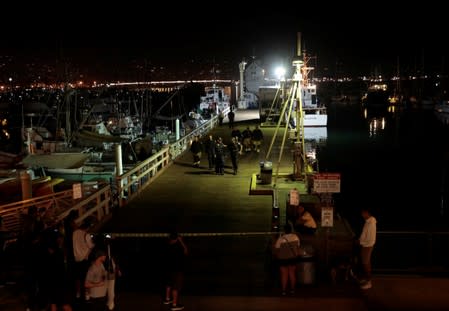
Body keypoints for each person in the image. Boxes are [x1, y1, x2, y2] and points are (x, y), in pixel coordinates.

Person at [162, 232, 188, 311]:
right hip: (177, 270)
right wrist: (181, 241)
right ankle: (174, 305)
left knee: (168, 284)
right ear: (177, 238)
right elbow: (186, 251)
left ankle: (167, 299)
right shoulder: (178, 247)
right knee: (175, 287)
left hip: (168, 269)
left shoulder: (167, 245)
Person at [274, 225, 300, 295]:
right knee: (292, 273)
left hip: (283, 259)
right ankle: (292, 290)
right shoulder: (295, 237)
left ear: (284, 231)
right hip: (292, 258)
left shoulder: (280, 239)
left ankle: (284, 291)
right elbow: (297, 247)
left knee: (284, 274)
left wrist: (278, 256)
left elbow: (276, 250)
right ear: (291, 230)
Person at [73, 220, 95, 300]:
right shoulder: (86, 234)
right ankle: (86, 294)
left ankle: (78, 293)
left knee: (77, 277)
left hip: (76, 258)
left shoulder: (74, 233)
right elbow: (91, 246)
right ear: (87, 227)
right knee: (86, 277)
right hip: (84, 259)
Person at [358, 207, 377, 290]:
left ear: (367, 213)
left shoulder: (371, 223)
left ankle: (369, 282)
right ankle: (366, 279)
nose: (362, 214)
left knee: (366, 263)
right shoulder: (368, 222)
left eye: (363, 213)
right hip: (365, 245)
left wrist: (360, 242)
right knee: (365, 263)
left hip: (367, 246)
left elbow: (370, 238)